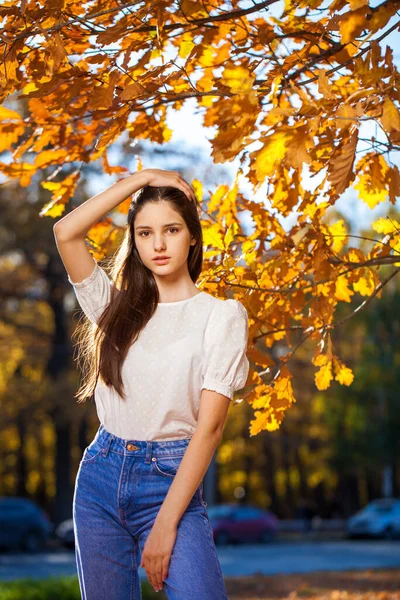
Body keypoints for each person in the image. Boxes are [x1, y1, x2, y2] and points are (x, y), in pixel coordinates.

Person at [53, 168, 250, 600]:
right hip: (99, 480)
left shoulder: (222, 316)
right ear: (135, 241)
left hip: (171, 477)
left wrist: (165, 525)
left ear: (192, 237)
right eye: (144, 233)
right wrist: (139, 179)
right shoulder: (114, 308)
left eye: (171, 230)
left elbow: (210, 429)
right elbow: (66, 232)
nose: (158, 244)